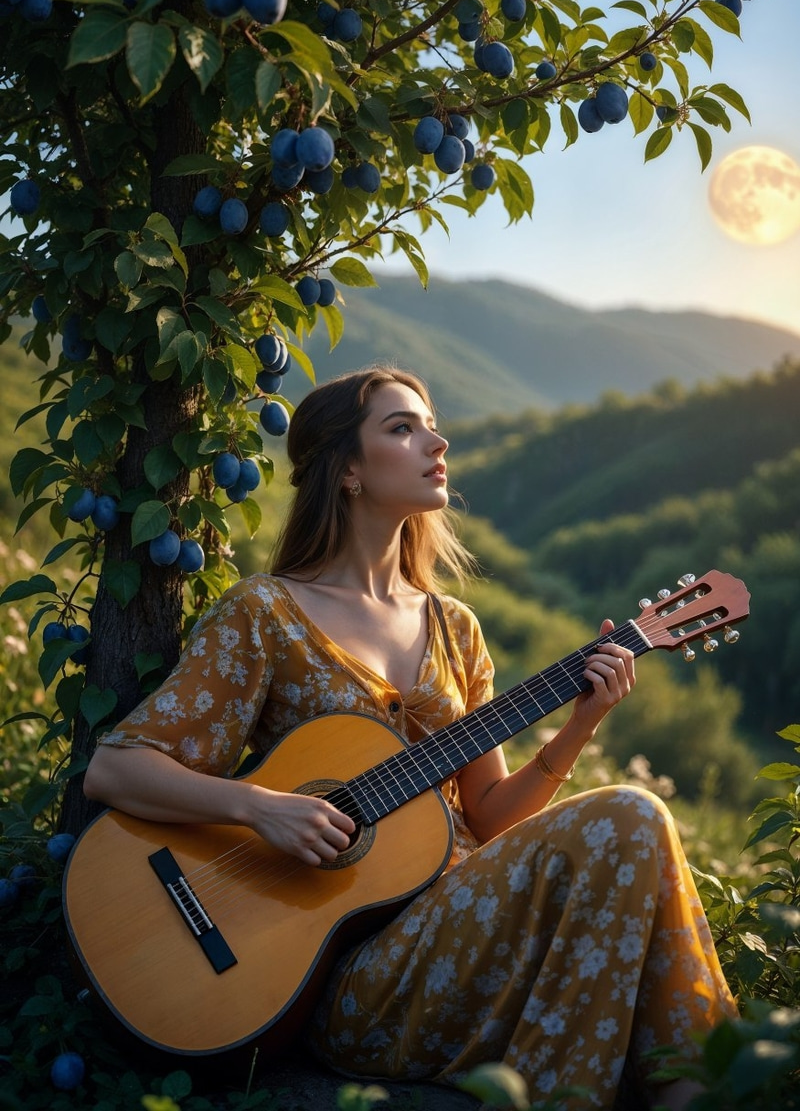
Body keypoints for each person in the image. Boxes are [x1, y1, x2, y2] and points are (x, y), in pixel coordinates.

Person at [83, 365, 738, 1110]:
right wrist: (259, 806)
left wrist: (583, 720)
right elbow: (115, 770)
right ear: (349, 469)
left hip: (465, 933)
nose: (438, 439)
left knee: (634, 825)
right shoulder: (265, 613)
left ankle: (701, 1094)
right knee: (632, 813)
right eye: (403, 427)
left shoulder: (455, 628)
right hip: (344, 975)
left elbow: (489, 818)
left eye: (430, 422)